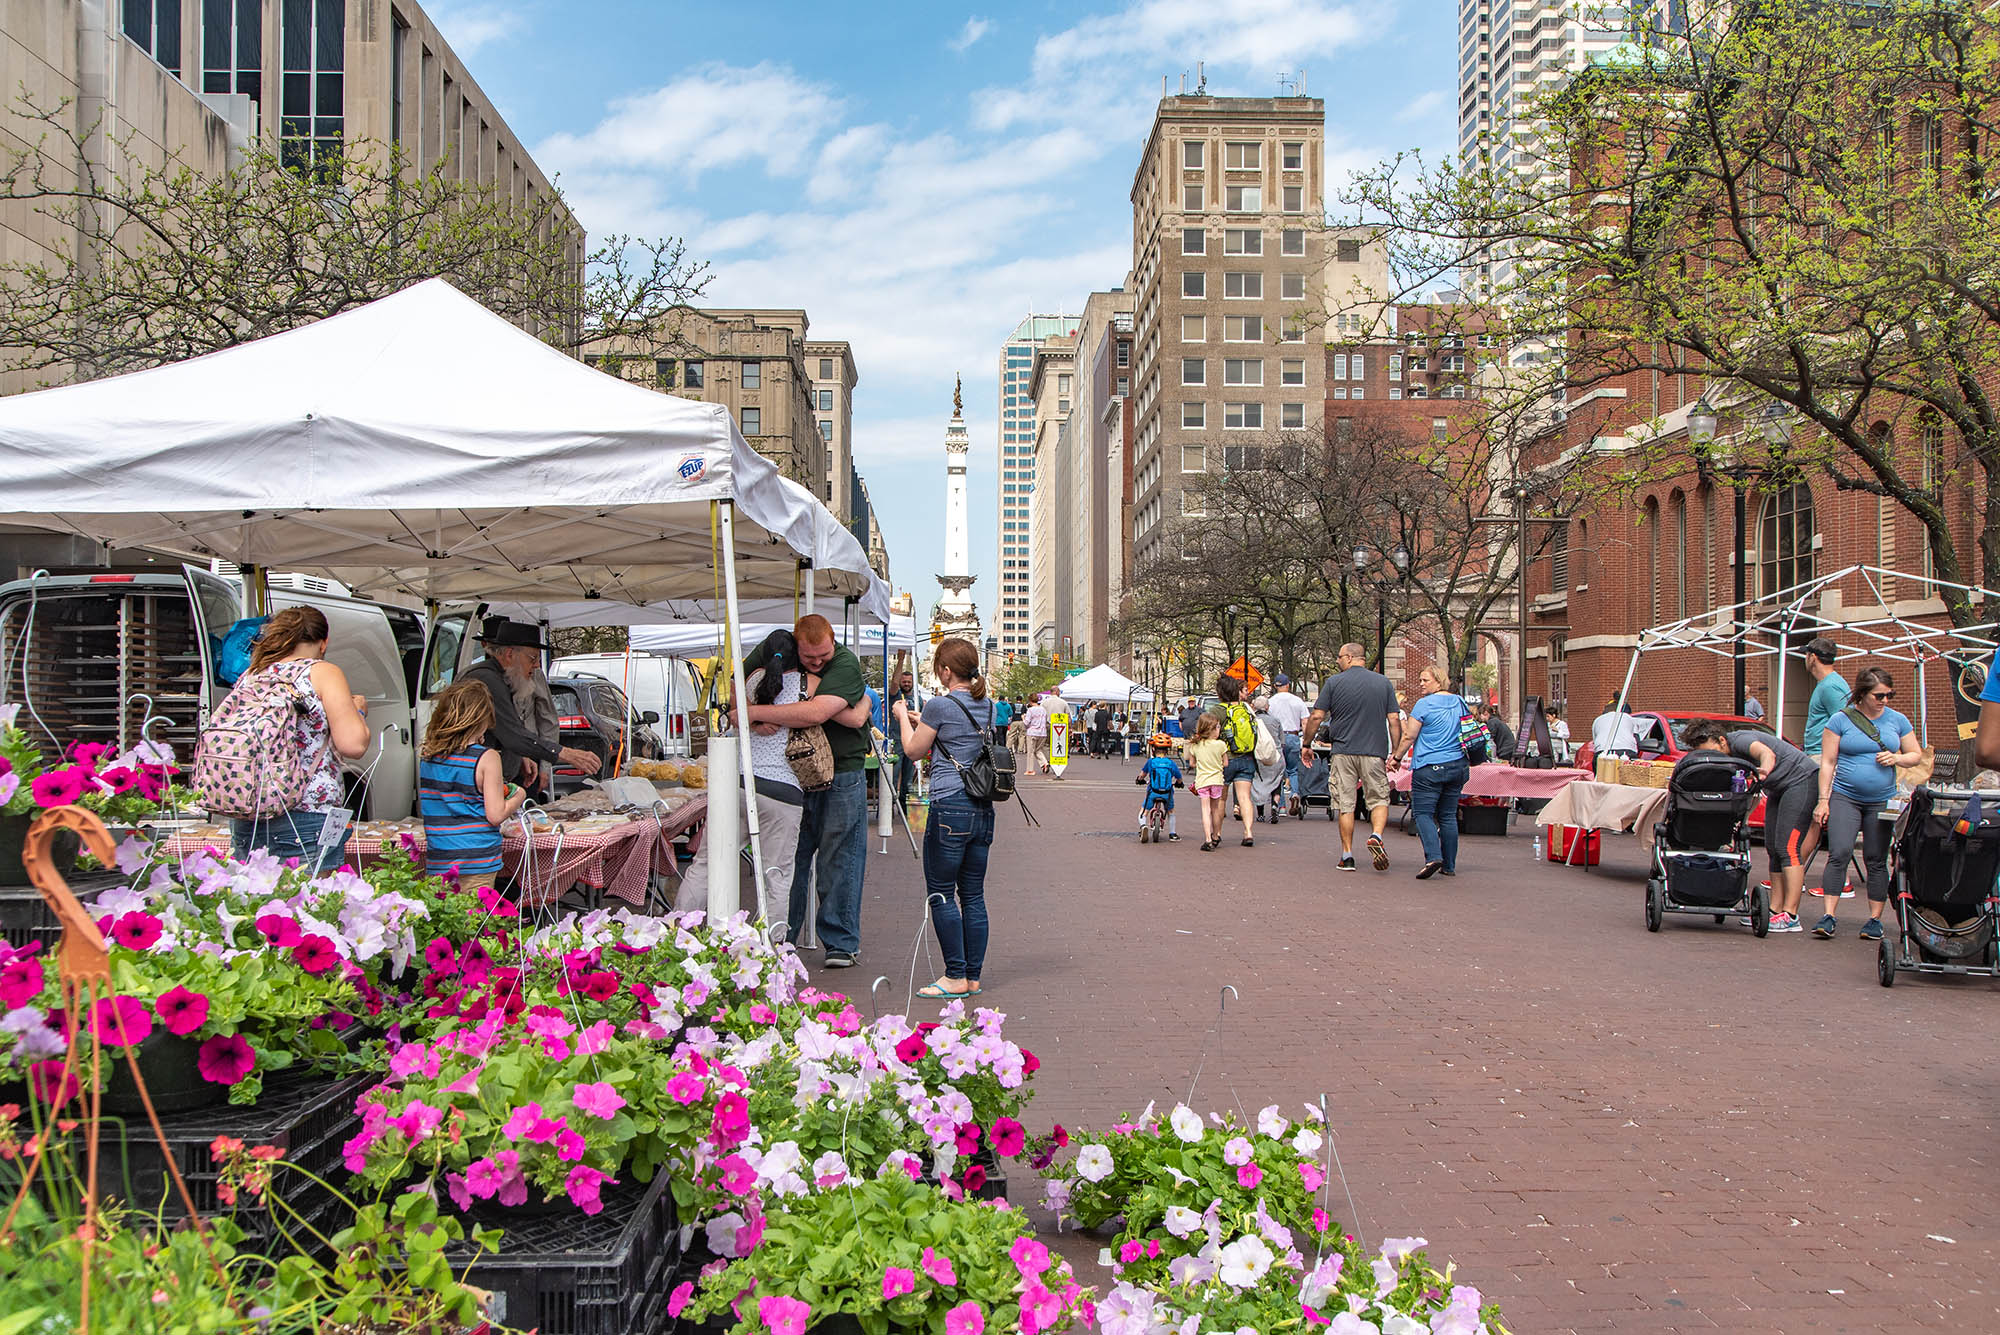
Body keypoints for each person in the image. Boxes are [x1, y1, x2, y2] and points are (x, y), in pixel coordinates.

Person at [746, 614, 873, 969]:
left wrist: (756, 711)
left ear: (834, 641)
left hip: (841, 770)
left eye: (824, 656)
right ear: (794, 644)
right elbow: (842, 715)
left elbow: (818, 713)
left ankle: (840, 943)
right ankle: (782, 936)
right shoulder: (774, 649)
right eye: (809, 658)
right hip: (788, 774)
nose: (818, 662)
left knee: (840, 857)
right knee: (789, 859)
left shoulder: (846, 662)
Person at [221, 606, 373, 871]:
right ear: (324, 642)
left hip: (248, 812)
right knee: (311, 907)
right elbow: (353, 745)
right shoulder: (323, 672)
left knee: (257, 906)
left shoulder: (251, 675)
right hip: (307, 812)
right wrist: (358, 710)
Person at [676, 631, 807, 918]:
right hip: (782, 790)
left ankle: (678, 930)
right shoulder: (809, 686)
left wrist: (754, 716)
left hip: (736, 784)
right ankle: (771, 949)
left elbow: (735, 712)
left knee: (706, 864)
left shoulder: (749, 682)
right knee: (776, 875)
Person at [892, 638, 994, 1000]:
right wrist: (925, 721)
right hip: (982, 809)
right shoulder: (989, 705)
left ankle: (953, 975)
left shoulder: (938, 704)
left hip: (950, 805)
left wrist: (904, 718)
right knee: (973, 895)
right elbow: (958, 734)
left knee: (940, 892)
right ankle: (973, 977)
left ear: (946, 671)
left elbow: (913, 749)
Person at [1814, 667, 1922, 941]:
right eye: (1879, 695)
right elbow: (1827, 763)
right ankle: (1828, 916)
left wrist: (1895, 758)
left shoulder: (1898, 720)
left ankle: (1874, 919)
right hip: (1845, 796)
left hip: (1881, 800)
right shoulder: (1841, 720)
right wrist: (1823, 800)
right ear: (1862, 694)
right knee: (1839, 852)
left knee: (1876, 859)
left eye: (1889, 694)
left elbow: (1915, 755)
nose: (1885, 700)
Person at [1681, 718, 1817, 934]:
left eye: (1714, 751)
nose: (1714, 758)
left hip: (1801, 780)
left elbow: (1767, 754)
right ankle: (1774, 909)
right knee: (1773, 848)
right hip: (1778, 787)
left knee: (1787, 848)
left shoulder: (1742, 740)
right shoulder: (1726, 753)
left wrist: (1763, 771)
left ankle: (1791, 915)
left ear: (1722, 741)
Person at [459, 618, 602, 789]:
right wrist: (566, 753)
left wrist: (521, 756)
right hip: (472, 780)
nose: (536, 665)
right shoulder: (488, 680)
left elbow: (506, 731)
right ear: (510, 654)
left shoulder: (501, 677)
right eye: (533, 658)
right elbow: (512, 734)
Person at [417, 679, 528, 888]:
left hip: (440, 857)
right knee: (476, 919)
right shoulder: (487, 758)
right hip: (478, 858)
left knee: (445, 918)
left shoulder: (428, 756)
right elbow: (495, 814)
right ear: (482, 718)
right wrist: (518, 795)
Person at [1306, 643, 1403, 873]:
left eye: (1339, 657)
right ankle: (1376, 835)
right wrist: (1396, 753)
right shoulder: (1383, 683)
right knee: (1379, 798)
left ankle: (1347, 855)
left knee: (1345, 804)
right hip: (1374, 751)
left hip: (1343, 751)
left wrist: (1306, 743)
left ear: (1350, 657)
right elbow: (1394, 720)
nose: (1337, 661)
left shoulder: (1334, 683)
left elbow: (1317, 716)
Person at [1394, 665, 1471, 880]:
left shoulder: (1423, 705)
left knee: (1423, 814)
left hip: (1429, 766)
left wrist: (1396, 758)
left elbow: (1409, 735)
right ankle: (1450, 864)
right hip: (1457, 765)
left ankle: (1433, 856)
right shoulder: (1460, 702)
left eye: (1425, 680)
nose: (1421, 684)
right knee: (1447, 815)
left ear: (1438, 680)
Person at [1796, 638, 1850, 892]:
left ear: (1812, 657)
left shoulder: (1831, 687)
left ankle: (1837, 881)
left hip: (1823, 759)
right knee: (1814, 819)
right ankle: (1795, 873)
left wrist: (1832, 758)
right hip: (1818, 757)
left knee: (1816, 818)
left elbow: (1847, 723)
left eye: (1805, 654)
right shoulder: (1827, 685)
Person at [1207, 673, 1259, 847]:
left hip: (1225, 759)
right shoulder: (1245, 708)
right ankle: (1248, 832)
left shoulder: (1217, 710)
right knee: (1244, 797)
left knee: (1221, 799)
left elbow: (1207, 733)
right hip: (1247, 757)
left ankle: (1217, 833)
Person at [1265, 674, 1311, 817]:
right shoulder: (1297, 701)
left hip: (1277, 738)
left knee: (1278, 771)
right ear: (1288, 685)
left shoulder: (1270, 702)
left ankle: (1281, 806)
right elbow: (1305, 722)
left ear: (1275, 686)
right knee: (1293, 770)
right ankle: (1295, 792)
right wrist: (1306, 743)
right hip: (1293, 736)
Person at [1186, 714, 1230, 850]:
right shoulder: (1220, 745)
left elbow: (1192, 763)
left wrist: (1202, 763)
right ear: (1211, 729)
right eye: (1217, 727)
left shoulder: (1196, 745)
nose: (1219, 729)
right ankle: (1216, 835)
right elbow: (1226, 763)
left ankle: (1207, 839)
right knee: (1215, 810)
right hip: (1217, 780)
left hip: (1202, 781)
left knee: (1205, 810)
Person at [1134, 731, 1184, 841]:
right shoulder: (1171, 763)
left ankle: (1143, 826)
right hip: (1167, 793)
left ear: (1153, 749)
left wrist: (1139, 780)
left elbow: (1142, 775)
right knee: (1171, 811)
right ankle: (1172, 833)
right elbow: (1179, 778)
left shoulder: (1151, 762)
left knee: (1144, 811)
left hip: (1153, 792)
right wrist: (1179, 783)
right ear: (1167, 750)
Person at [887, 669, 919, 810]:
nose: (906, 684)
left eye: (909, 682)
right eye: (904, 681)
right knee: (894, 775)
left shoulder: (917, 698)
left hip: (912, 740)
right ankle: (889, 808)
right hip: (896, 740)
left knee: (908, 777)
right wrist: (900, 659)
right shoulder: (895, 696)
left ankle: (905, 808)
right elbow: (894, 684)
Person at [1023, 695, 1050, 775]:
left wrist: (1023, 718)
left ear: (1030, 701)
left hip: (1032, 732)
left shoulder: (1030, 710)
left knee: (1030, 752)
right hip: (1042, 733)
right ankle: (1044, 763)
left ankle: (1030, 770)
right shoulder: (1043, 709)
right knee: (1038, 750)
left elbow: (1026, 723)